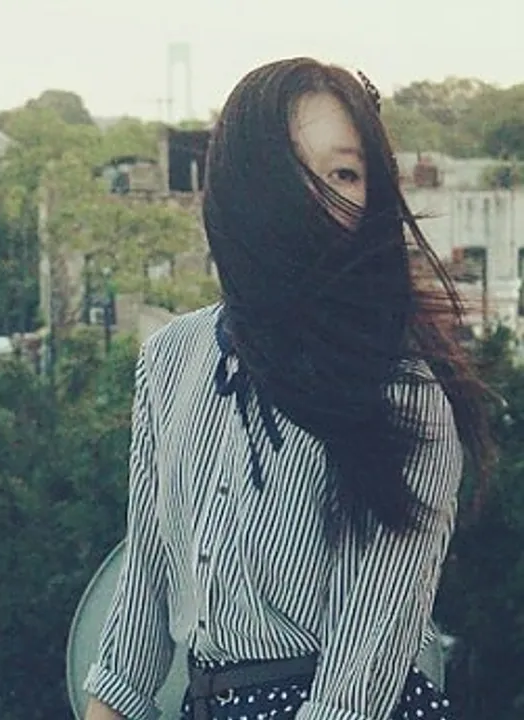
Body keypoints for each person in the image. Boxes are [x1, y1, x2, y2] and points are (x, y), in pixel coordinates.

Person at [82, 57, 495, 720]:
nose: (320, 202)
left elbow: (361, 675)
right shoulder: (172, 357)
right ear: (244, 186)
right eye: (292, 173)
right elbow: (144, 587)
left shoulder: (402, 390)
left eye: (345, 174)